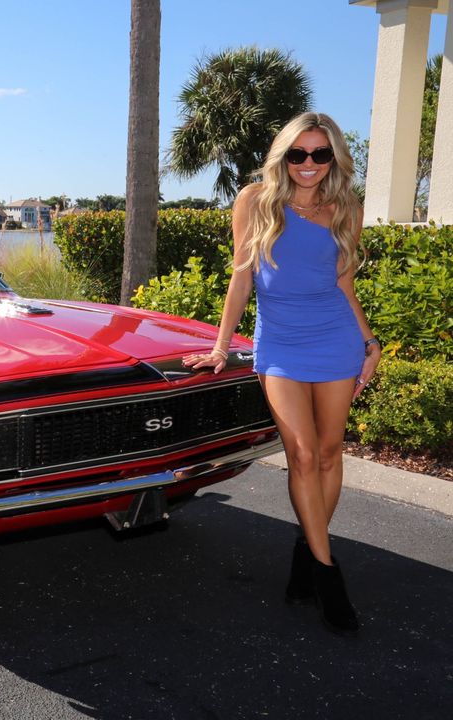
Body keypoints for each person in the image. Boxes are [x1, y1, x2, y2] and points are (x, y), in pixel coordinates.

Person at [182, 112, 380, 636]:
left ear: (334, 158)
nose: (308, 164)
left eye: (320, 154)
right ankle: (328, 575)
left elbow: (344, 285)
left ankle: (306, 552)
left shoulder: (346, 208)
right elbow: (241, 279)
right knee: (303, 454)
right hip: (281, 346)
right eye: (298, 153)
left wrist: (369, 342)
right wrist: (221, 346)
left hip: (335, 339)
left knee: (331, 452)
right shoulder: (255, 200)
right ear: (283, 155)